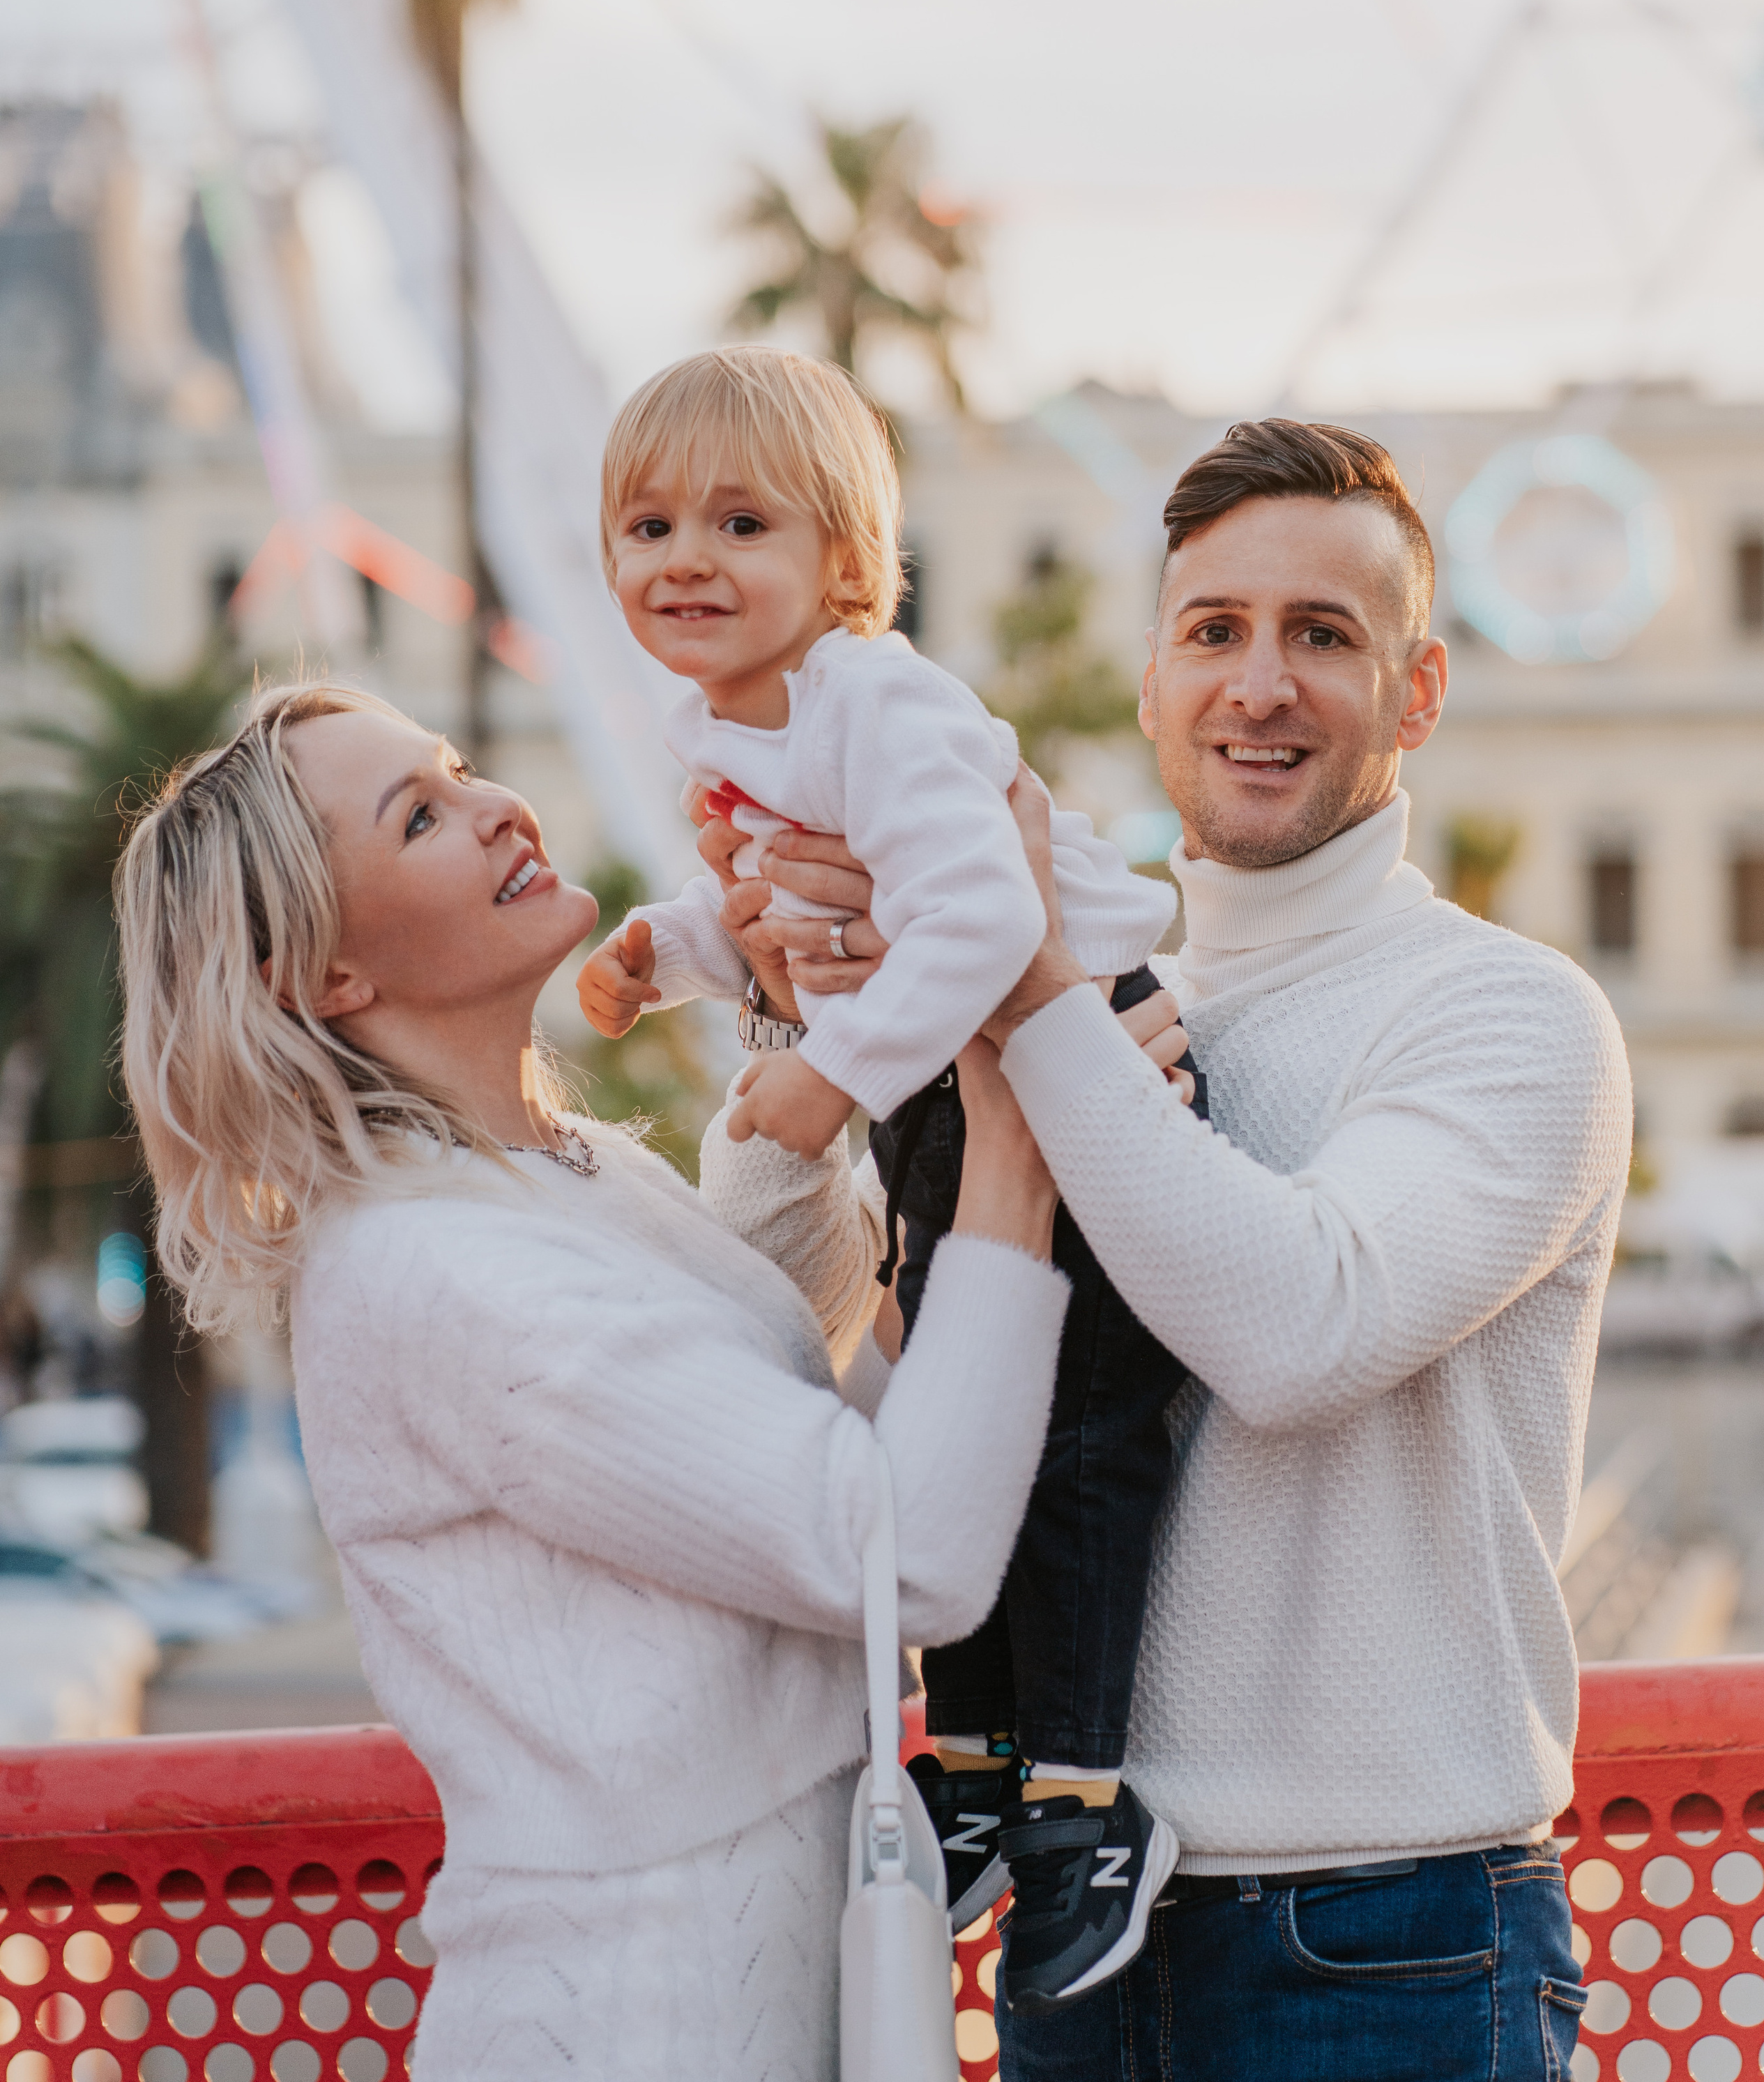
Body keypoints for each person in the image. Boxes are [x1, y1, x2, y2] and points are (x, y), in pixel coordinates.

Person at [726, 418, 1632, 2082]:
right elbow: (843, 1372)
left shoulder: (1506, 1017)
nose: (1258, 684)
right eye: (1213, 631)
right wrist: (802, 1028)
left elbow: (1296, 1330)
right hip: (1074, 1929)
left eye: (1323, 636)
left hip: (1390, 1939)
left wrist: (1019, 991)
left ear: (1416, 692)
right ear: (1149, 685)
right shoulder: (1078, 1011)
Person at [112, 677, 1073, 2082]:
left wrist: (825, 1040)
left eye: (455, 768)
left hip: (758, 1980)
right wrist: (1013, 1139)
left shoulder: (554, 1168)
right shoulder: (426, 1269)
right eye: (423, 814)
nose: (499, 803)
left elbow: (790, 1443)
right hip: (633, 2015)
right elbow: (898, 1553)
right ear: (324, 976)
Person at [578, 346, 1198, 2008]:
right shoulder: (730, 721)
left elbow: (989, 922)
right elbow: (806, 900)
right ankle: (982, 1763)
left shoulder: (885, 705)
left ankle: (1081, 1797)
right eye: (645, 526)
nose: (682, 559)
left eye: (738, 520)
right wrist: (672, 951)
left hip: (1091, 1060)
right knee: (951, 1411)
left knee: (1067, 1440)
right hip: (943, 1079)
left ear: (846, 569)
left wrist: (827, 1074)